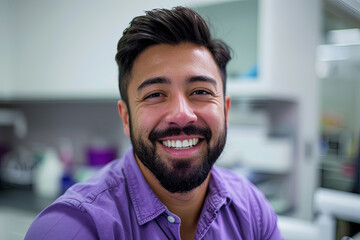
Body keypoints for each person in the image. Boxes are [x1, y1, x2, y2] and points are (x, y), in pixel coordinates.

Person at [25, 6, 283, 240]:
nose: (182, 114)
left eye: (201, 92)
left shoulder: (253, 211)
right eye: (155, 94)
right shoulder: (72, 228)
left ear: (225, 110)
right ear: (126, 117)